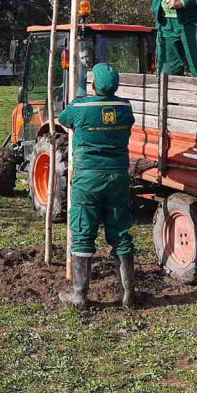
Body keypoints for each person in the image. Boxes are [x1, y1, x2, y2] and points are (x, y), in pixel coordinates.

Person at [57, 62, 137, 309]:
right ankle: (128, 294)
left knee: (82, 231)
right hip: (117, 176)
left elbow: (63, 120)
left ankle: (79, 295)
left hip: (88, 177)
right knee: (121, 233)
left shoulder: (81, 106)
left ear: (93, 85)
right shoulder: (125, 107)